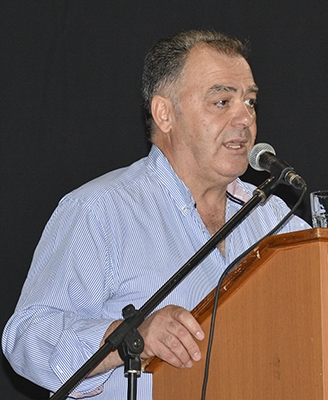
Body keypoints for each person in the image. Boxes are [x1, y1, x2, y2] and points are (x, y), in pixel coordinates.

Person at [2, 30, 310, 399]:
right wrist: (129, 338)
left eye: (250, 101)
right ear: (165, 114)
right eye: (222, 101)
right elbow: (27, 337)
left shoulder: (275, 219)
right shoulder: (101, 210)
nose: (245, 118)